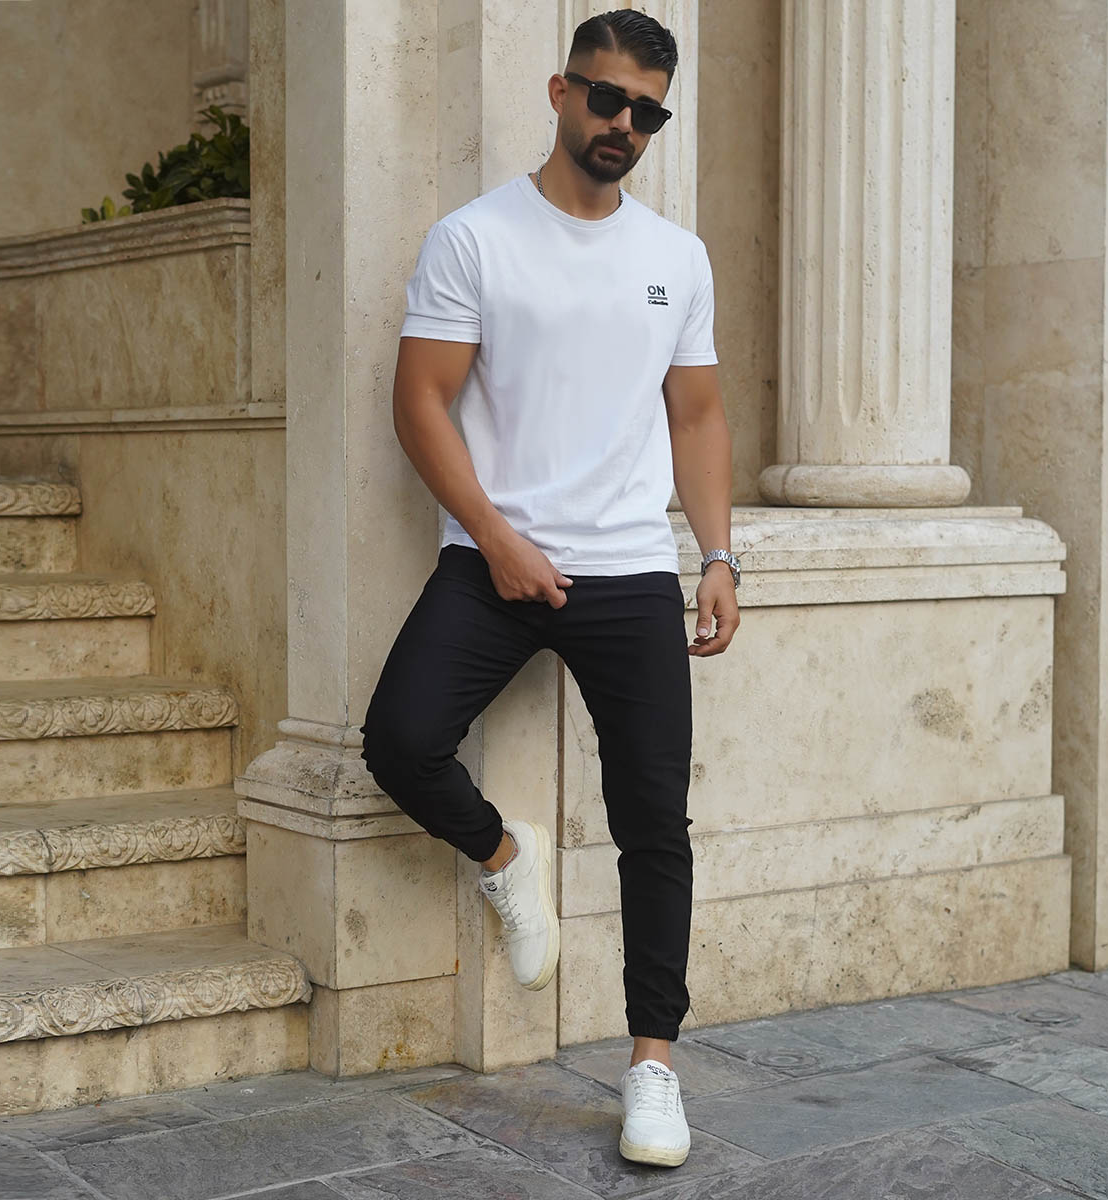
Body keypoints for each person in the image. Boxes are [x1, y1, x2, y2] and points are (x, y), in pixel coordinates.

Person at [360, 9, 740, 1169]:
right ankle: (505, 861)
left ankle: (653, 1066)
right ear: (561, 91)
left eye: (647, 111)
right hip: (496, 564)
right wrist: (496, 537)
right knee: (399, 741)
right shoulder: (476, 239)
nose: (624, 123)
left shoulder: (676, 258)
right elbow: (419, 402)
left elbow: (697, 416)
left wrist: (718, 555)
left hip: (631, 572)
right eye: (607, 98)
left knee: (653, 823)